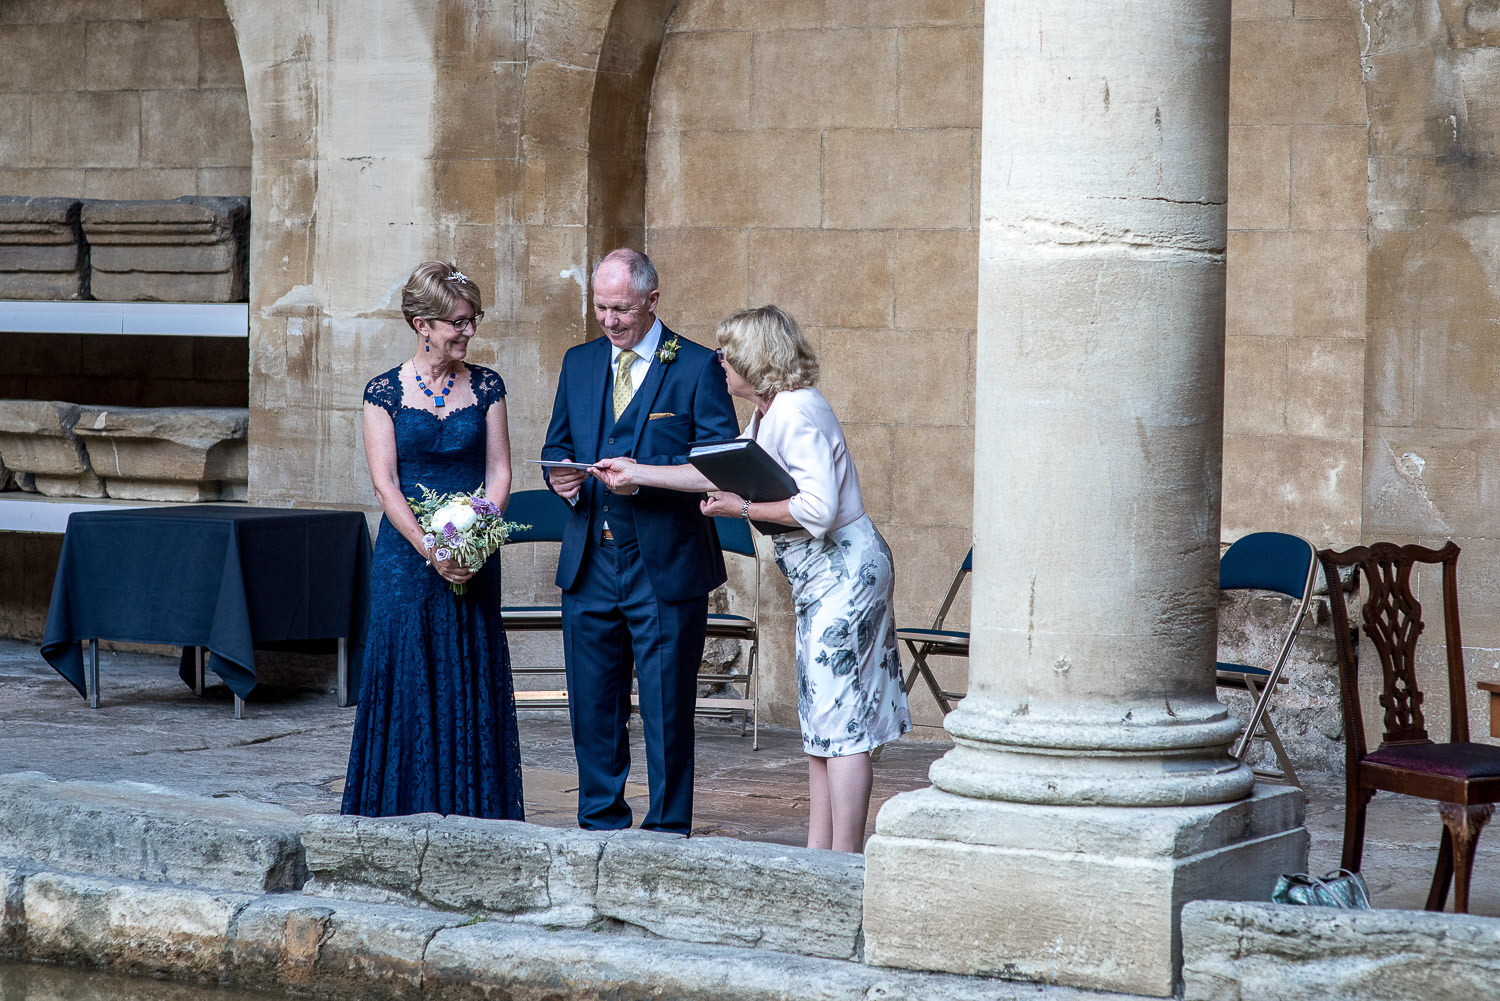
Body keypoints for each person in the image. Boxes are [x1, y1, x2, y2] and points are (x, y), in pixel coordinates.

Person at [593, 304, 911, 853]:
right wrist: (638, 471)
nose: (718, 360)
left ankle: (848, 859)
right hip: (819, 579)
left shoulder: (797, 411)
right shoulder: (768, 413)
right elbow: (716, 466)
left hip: (845, 575)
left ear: (755, 360)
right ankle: (819, 854)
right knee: (821, 716)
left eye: (727, 352)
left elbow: (817, 509)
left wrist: (741, 510)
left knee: (845, 721)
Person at [541, 248, 738, 834]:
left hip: (666, 563)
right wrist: (563, 481)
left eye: (622, 308)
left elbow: (721, 466)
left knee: (666, 704)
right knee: (593, 704)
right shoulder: (577, 364)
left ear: (652, 301)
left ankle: (667, 827)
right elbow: (556, 449)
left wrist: (644, 476)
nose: (609, 320)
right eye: (601, 307)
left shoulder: (698, 366)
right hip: (589, 560)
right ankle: (599, 820)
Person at [341, 260, 523, 820]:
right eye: (458, 322)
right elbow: (385, 483)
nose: (468, 331)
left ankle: (475, 809)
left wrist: (475, 538)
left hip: (473, 550)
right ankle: (397, 808)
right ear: (423, 324)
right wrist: (432, 548)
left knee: (468, 668)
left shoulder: (487, 385)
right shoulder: (383, 392)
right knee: (410, 671)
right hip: (406, 557)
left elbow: (500, 472)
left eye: (473, 320)